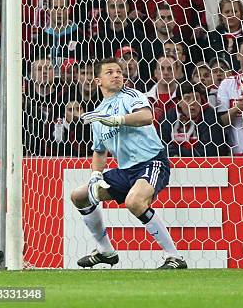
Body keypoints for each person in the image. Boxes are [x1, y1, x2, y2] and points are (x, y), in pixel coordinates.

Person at [71, 57, 188, 269]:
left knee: (135, 202)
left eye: (119, 71)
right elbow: (99, 151)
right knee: (80, 196)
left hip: (151, 161)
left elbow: (146, 116)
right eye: (110, 72)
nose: (116, 75)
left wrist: (118, 120)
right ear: (98, 81)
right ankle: (106, 251)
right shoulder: (97, 115)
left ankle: (175, 257)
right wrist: (95, 176)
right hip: (125, 170)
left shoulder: (132, 95)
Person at [160, 83, 228, 157]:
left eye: (196, 98)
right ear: (179, 102)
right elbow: (160, 144)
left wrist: (178, 151)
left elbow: (210, 151)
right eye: (187, 98)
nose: (193, 102)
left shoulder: (210, 116)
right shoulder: (170, 116)